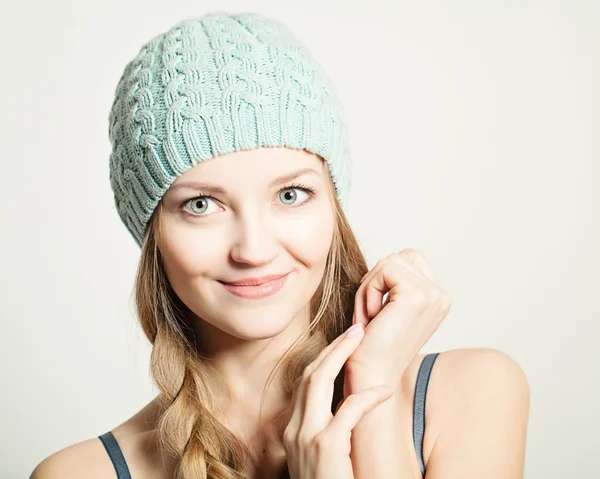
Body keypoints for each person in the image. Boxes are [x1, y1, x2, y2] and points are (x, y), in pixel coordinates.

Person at [30, 11, 530, 479]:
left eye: (290, 195)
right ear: (152, 233)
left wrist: (371, 392)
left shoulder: (472, 393)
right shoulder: (80, 472)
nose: (253, 250)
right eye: (202, 204)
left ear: (332, 207)